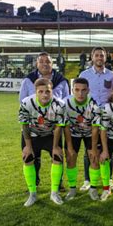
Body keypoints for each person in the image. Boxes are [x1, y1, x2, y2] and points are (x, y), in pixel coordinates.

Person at [19, 52, 69, 187]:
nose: (45, 64)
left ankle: (58, 183)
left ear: (52, 64)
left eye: (47, 62)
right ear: (37, 64)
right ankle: (34, 182)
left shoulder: (62, 81)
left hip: (53, 129)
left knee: (57, 154)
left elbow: (66, 100)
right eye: (41, 61)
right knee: (31, 156)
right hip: (33, 127)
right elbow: (22, 101)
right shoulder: (28, 80)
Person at [19, 78, 66, 207]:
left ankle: (54, 193)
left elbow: (58, 127)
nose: (45, 95)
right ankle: (32, 194)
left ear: (52, 91)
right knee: (28, 158)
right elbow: (25, 126)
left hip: (50, 135)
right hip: (32, 135)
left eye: (48, 91)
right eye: (41, 92)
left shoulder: (60, 104)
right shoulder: (26, 103)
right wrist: (28, 146)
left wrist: (56, 146)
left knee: (58, 156)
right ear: (36, 92)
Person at [79, 47, 113, 192]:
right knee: (89, 148)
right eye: (97, 55)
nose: (99, 58)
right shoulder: (84, 75)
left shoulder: (112, 76)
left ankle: (108, 179)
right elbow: (79, 94)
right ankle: (87, 180)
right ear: (92, 57)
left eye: (102, 56)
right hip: (89, 116)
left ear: (105, 58)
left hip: (107, 117)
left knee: (108, 148)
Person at [62, 78, 102, 201]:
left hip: (90, 132)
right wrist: (69, 147)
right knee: (70, 158)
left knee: (94, 158)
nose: (80, 93)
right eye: (77, 90)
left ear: (88, 90)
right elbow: (66, 127)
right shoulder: (65, 104)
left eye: (83, 90)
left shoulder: (94, 103)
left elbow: (96, 128)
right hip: (73, 133)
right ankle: (72, 189)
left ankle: (93, 189)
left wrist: (94, 148)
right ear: (72, 90)